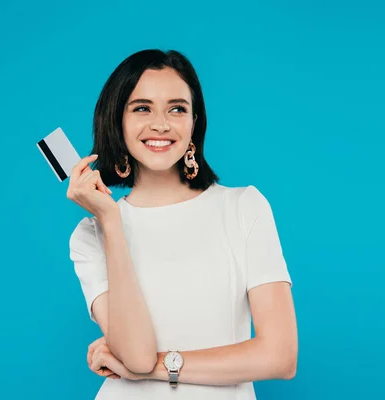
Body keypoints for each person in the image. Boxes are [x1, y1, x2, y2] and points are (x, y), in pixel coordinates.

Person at [67, 49, 297, 399]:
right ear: (117, 121)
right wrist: (110, 220)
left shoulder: (243, 208)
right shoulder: (91, 235)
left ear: (194, 122)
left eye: (177, 108)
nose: (161, 124)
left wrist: (163, 366)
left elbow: (280, 357)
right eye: (142, 108)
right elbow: (136, 355)